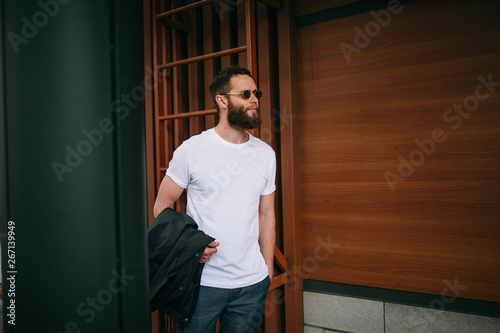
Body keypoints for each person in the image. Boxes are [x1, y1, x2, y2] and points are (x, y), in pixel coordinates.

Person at [153, 66, 276, 333]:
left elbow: (266, 213)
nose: (254, 99)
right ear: (221, 100)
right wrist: (188, 245)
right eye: (245, 93)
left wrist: (266, 269)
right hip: (202, 283)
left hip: (251, 285)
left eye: (256, 93)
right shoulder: (192, 150)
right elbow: (161, 205)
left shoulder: (266, 154)